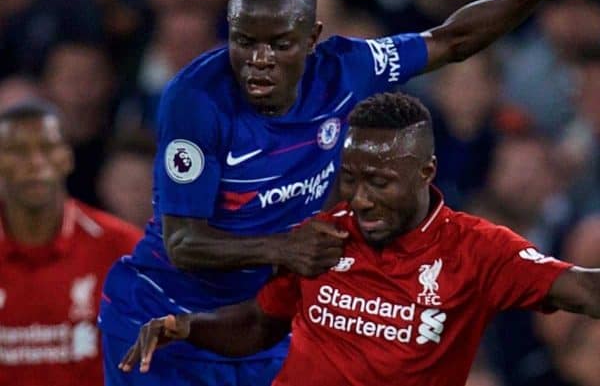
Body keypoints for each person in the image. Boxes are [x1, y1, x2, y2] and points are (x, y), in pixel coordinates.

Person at [99, 0, 572, 385]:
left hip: (257, 325)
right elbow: (183, 242)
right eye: (244, 42)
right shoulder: (196, 100)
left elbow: (452, 39)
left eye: (280, 44)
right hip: (162, 317)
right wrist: (282, 249)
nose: (258, 61)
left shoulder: (349, 67)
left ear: (312, 39)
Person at [120, 92, 600, 386]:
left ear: (426, 172)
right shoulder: (320, 236)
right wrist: (184, 326)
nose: (362, 199)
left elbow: (583, 289)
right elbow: (260, 324)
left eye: (381, 182)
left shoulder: (477, 250)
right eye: (351, 179)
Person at [0, 101, 142, 386]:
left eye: (47, 148)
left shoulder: (122, 248)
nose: (35, 163)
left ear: (67, 157)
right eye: (17, 151)